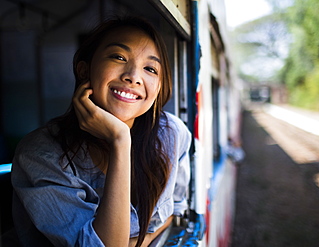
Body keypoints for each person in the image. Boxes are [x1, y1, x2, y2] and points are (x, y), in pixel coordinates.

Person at [11, 16, 191, 247]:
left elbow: (175, 212)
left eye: (150, 68)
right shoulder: (41, 154)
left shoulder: (171, 134)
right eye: (118, 57)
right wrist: (120, 140)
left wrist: (135, 243)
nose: (133, 77)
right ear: (84, 70)